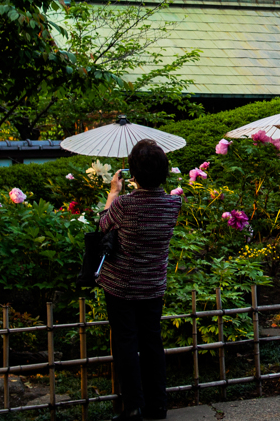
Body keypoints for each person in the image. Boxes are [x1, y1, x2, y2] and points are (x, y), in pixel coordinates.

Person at [99, 139, 182, 421]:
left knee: (125, 343)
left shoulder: (124, 205)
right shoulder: (173, 204)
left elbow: (102, 225)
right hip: (153, 286)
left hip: (121, 286)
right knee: (151, 342)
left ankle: (133, 406)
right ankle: (158, 405)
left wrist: (114, 192)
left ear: (133, 173)